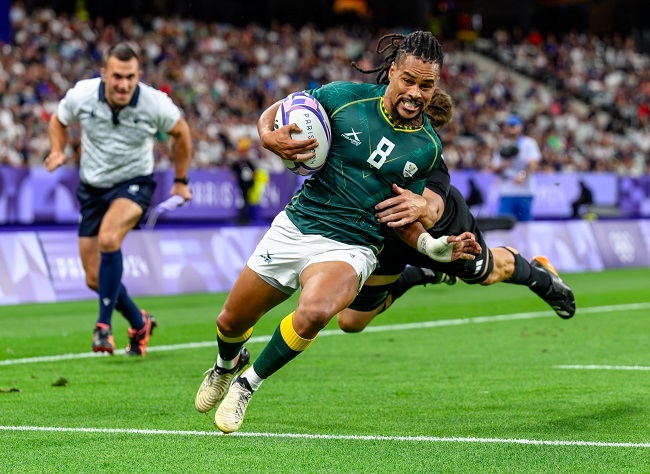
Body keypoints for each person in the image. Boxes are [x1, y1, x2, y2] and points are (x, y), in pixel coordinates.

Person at [195, 31, 480, 434]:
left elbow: (404, 220)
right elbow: (276, 112)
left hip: (354, 246)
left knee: (314, 313)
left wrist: (434, 248)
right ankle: (227, 365)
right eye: (409, 80)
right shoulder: (342, 97)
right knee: (229, 321)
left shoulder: (427, 148)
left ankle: (246, 384)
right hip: (298, 225)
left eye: (427, 85)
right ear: (393, 72)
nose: (416, 93)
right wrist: (266, 135)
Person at [337, 88, 576, 333]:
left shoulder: (431, 161)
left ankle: (545, 280)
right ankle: (420, 274)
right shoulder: (366, 134)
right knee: (350, 322)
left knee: (489, 273)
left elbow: (431, 210)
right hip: (389, 238)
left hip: (442, 231)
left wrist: (421, 207)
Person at [45, 43, 192, 356]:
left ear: (138, 75)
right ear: (104, 75)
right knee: (93, 277)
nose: (124, 84)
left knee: (109, 239)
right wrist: (57, 150)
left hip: (134, 183)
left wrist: (180, 182)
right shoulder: (82, 95)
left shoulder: (155, 103)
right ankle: (140, 321)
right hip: (92, 188)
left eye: (130, 77)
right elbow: (58, 120)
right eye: (117, 77)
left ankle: (103, 327)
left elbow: (182, 133)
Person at [491, 114, 542, 222]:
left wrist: (522, 175)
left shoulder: (529, 143)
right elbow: (494, 167)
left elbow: (533, 163)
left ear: (521, 127)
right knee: (504, 226)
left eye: (514, 125)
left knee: (524, 228)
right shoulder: (502, 145)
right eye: (509, 125)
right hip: (507, 191)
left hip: (525, 192)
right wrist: (503, 165)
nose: (511, 128)